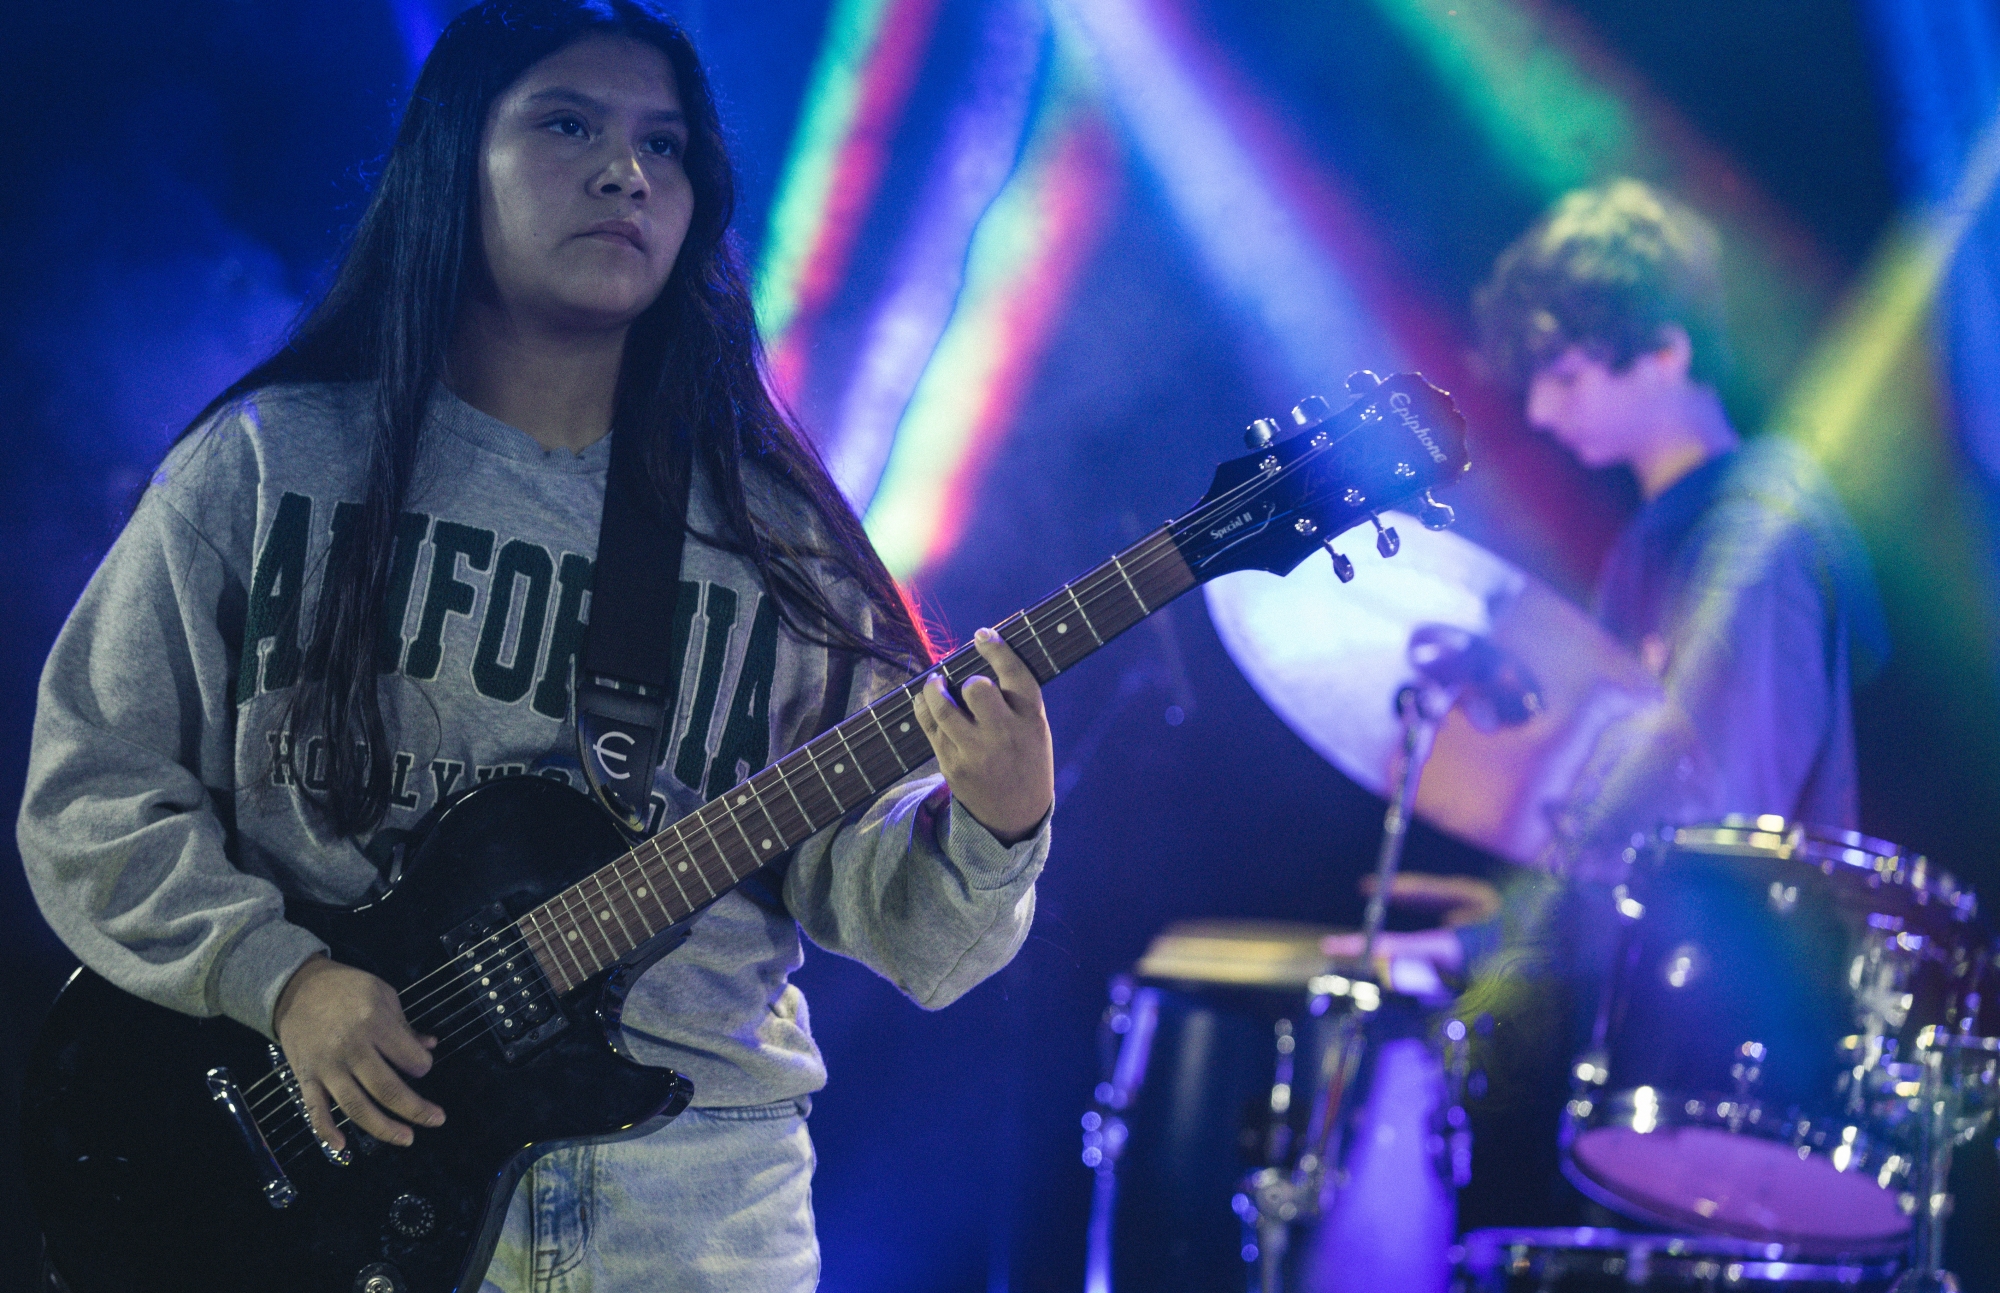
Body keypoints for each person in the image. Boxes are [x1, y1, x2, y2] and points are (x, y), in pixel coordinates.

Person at [17, 3, 1054, 1289]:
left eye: (665, 146)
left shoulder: (780, 538)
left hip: (689, 1205)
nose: (628, 171)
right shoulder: (270, 465)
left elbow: (912, 936)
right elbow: (92, 792)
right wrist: (279, 982)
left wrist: (993, 829)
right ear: (455, 157)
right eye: (569, 123)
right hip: (328, 1169)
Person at [1329, 177, 1886, 981]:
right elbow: (1626, 850)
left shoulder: (1753, 532)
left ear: (1666, 352)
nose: (1543, 414)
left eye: (1566, 377)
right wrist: (1482, 947)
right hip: (1662, 996)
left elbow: (1726, 841)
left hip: (1727, 1035)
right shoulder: (1648, 548)